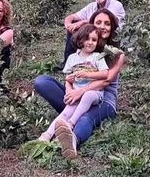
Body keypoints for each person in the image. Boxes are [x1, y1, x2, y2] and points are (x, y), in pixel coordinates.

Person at [35, 9, 126, 160]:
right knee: (42, 81)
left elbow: (106, 80)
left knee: (85, 118)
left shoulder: (116, 54)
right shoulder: (85, 48)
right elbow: (69, 75)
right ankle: (57, 125)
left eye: (107, 23)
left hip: (102, 99)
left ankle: (71, 141)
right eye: (98, 23)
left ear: (112, 27)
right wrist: (70, 91)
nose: (102, 26)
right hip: (78, 94)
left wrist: (81, 91)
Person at [38, 24, 108, 144]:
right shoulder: (72, 58)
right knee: (66, 112)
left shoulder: (97, 57)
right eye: (87, 39)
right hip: (76, 92)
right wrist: (69, 90)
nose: (90, 42)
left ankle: (71, 124)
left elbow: (105, 74)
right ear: (80, 39)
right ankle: (47, 135)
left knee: (88, 95)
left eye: (94, 40)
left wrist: (87, 75)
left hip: (94, 93)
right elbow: (68, 78)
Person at [62, 0, 125, 65]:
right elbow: (72, 17)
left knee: (83, 26)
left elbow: (108, 21)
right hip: (96, 36)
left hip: (111, 38)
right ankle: (69, 61)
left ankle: (103, 60)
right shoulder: (91, 6)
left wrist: (82, 23)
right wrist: (68, 24)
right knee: (74, 26)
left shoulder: (116, 5)